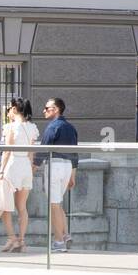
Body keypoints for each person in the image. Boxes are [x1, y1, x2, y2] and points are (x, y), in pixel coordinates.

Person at [0, 97, 39, 253]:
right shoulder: (32, 127)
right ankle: (21, 240)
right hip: (25, 166)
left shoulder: (11, 127)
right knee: (22, 207)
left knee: (5, 205)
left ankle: (11, 238)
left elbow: (7, 151)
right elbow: (32, 153)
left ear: (14, 109)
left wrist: (1, 171)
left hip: (12, 165)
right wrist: (31, 170)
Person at [34, 98, 78, 253]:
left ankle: (59, 241)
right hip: (67, 166)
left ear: (56, 109)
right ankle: (65, 234)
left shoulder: (52, 126)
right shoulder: (71, 128)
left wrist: (33, 167)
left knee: (53, 205)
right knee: (58, 203)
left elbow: (43, 150)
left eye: (47, 108)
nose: (44, 111)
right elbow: (74, 153)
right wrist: (73, 174)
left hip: (55, 165)